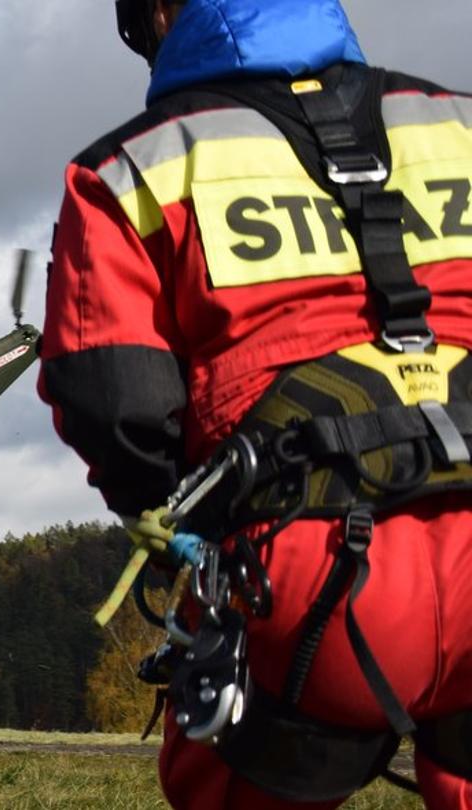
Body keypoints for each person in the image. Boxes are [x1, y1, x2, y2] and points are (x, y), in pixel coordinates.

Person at [40, 0, 472, 806]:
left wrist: (173, 518)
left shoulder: (131, 169)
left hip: (314, 570)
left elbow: (109, 397)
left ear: (160, 12)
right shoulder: (456, 122)